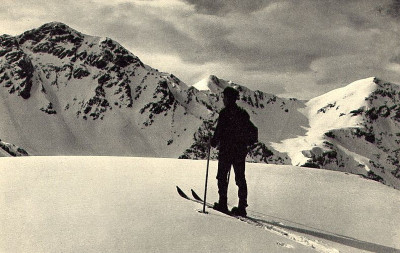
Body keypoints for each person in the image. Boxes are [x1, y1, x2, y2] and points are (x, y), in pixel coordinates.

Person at [210, 86, 253, 217]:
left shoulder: (224, 113)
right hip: (240, 151)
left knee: (222, 176)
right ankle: (242, 206)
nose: (223, 99)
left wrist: (213, 141)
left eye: (224, 97)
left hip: (226, 151)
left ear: (228, 98)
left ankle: (223, 203)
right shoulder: (243, 114)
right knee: (240, 178)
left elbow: (219, 132)